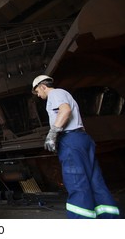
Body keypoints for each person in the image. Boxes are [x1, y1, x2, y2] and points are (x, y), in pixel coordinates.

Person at [32, 75, 120, 219]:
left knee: (76, 182)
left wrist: (53, 133)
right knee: (95, 182)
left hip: (71, 140)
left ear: (43, 86)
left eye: (37, 91)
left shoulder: (54, 93)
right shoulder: (64, 93)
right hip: (82, 139)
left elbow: (65, 110)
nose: (38, 95)